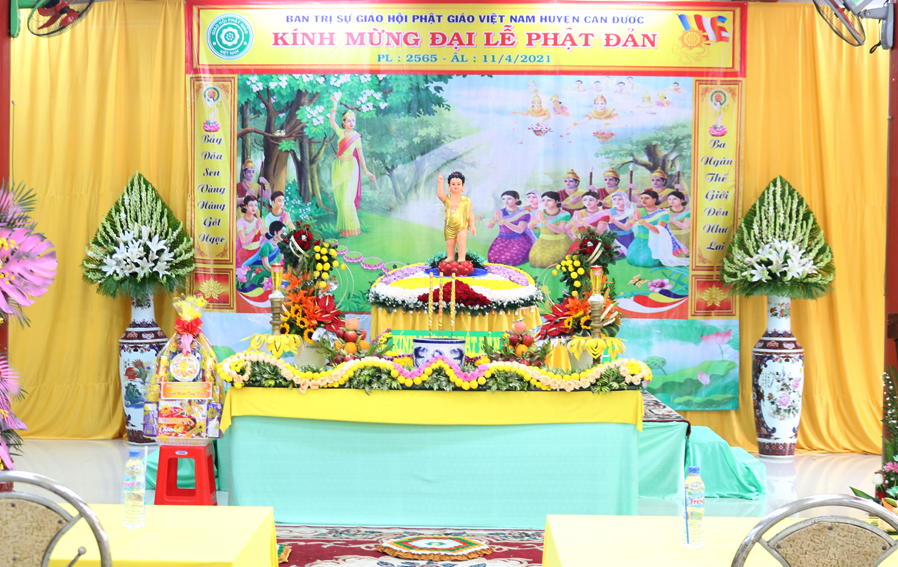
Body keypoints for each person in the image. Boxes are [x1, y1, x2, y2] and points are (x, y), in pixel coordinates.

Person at [329, 93, 376, 237]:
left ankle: (353, 228)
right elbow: (331, 120)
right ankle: (342, 226)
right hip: (338, 167)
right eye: (348, 121)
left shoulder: (356, 137)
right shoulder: (340, 132)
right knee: (339, 199)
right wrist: (335, 105)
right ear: (344, 123)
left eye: (353, 120)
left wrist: (366, 171)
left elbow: (361, 155)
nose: (351, 123)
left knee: (347, 200)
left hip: (351, 168)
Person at [624, 190, 688, 268]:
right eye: (642, 198)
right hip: (639, 241)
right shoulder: (638, 211)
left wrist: (640, 220)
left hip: (655, 242)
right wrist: (633, 218)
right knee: (630, 259)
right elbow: (626, 227)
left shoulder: (663, 213)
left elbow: (658, 231)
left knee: (645, 262)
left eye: (647, 198)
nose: (643, 200)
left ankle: (661, 257)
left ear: (654, 199)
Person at [486, 191, 534, 266]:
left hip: (519, 240)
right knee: (493, 257)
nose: (506, 201)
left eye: (509, 199)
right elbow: (489, 226)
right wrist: (495, 217)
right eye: (503, 199)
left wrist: (503, 221)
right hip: (501, 240)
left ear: (516, 200)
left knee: (508, 259)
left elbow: (519, 230)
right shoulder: (500, 211)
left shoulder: (523, 213)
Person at [437, 171, 476, 263]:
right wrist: (440, 182)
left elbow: (470, 214)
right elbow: (440, 195)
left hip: (462, 226)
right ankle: (450, 257)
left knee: (461, 242)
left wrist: (472, 225)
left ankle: (461, 258)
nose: (456, 186)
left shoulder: (466, 200)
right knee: (450, 244)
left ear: (463, 186)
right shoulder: (447, 199)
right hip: (449, 226)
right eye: (453, 184)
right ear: (449, 187)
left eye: (458, 184)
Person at [528, 191, 572, 268]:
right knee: (535, 260)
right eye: (543, 200)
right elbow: (530, 226)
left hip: (560, 242)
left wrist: (544, 221)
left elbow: (560, 230)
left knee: (549, 261)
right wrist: (536, 219)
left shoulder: (564, 214)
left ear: (556, 201)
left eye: (549, 200)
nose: (545, 203)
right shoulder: (541, 212)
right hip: (543, 241)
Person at [236, 195, 264, 266]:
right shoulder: (241, 222)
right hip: (245, 254)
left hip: (257, 253)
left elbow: (264, 236)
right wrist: (256, 230)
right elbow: (243, 240)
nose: (254, 208)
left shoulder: (258, 220)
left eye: (256, 205)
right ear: (246, 206)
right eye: (251, 205)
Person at [606, 190, 635, 255]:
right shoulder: (609, 211)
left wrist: (612, 220)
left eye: (620, 199)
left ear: (626, 200)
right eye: (614, 199)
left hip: (627, 238)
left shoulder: (631, 212)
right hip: (613, 238)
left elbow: (626, 228)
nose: (617, 202)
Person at [667, 190, 691, 257]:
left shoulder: (688, 211)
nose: (671, 201)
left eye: (675, 199)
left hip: (684, 237)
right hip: (669, 238)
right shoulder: (665, 211)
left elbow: (685, 227)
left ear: (681, 200)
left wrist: (671, 219)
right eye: (669, 199)